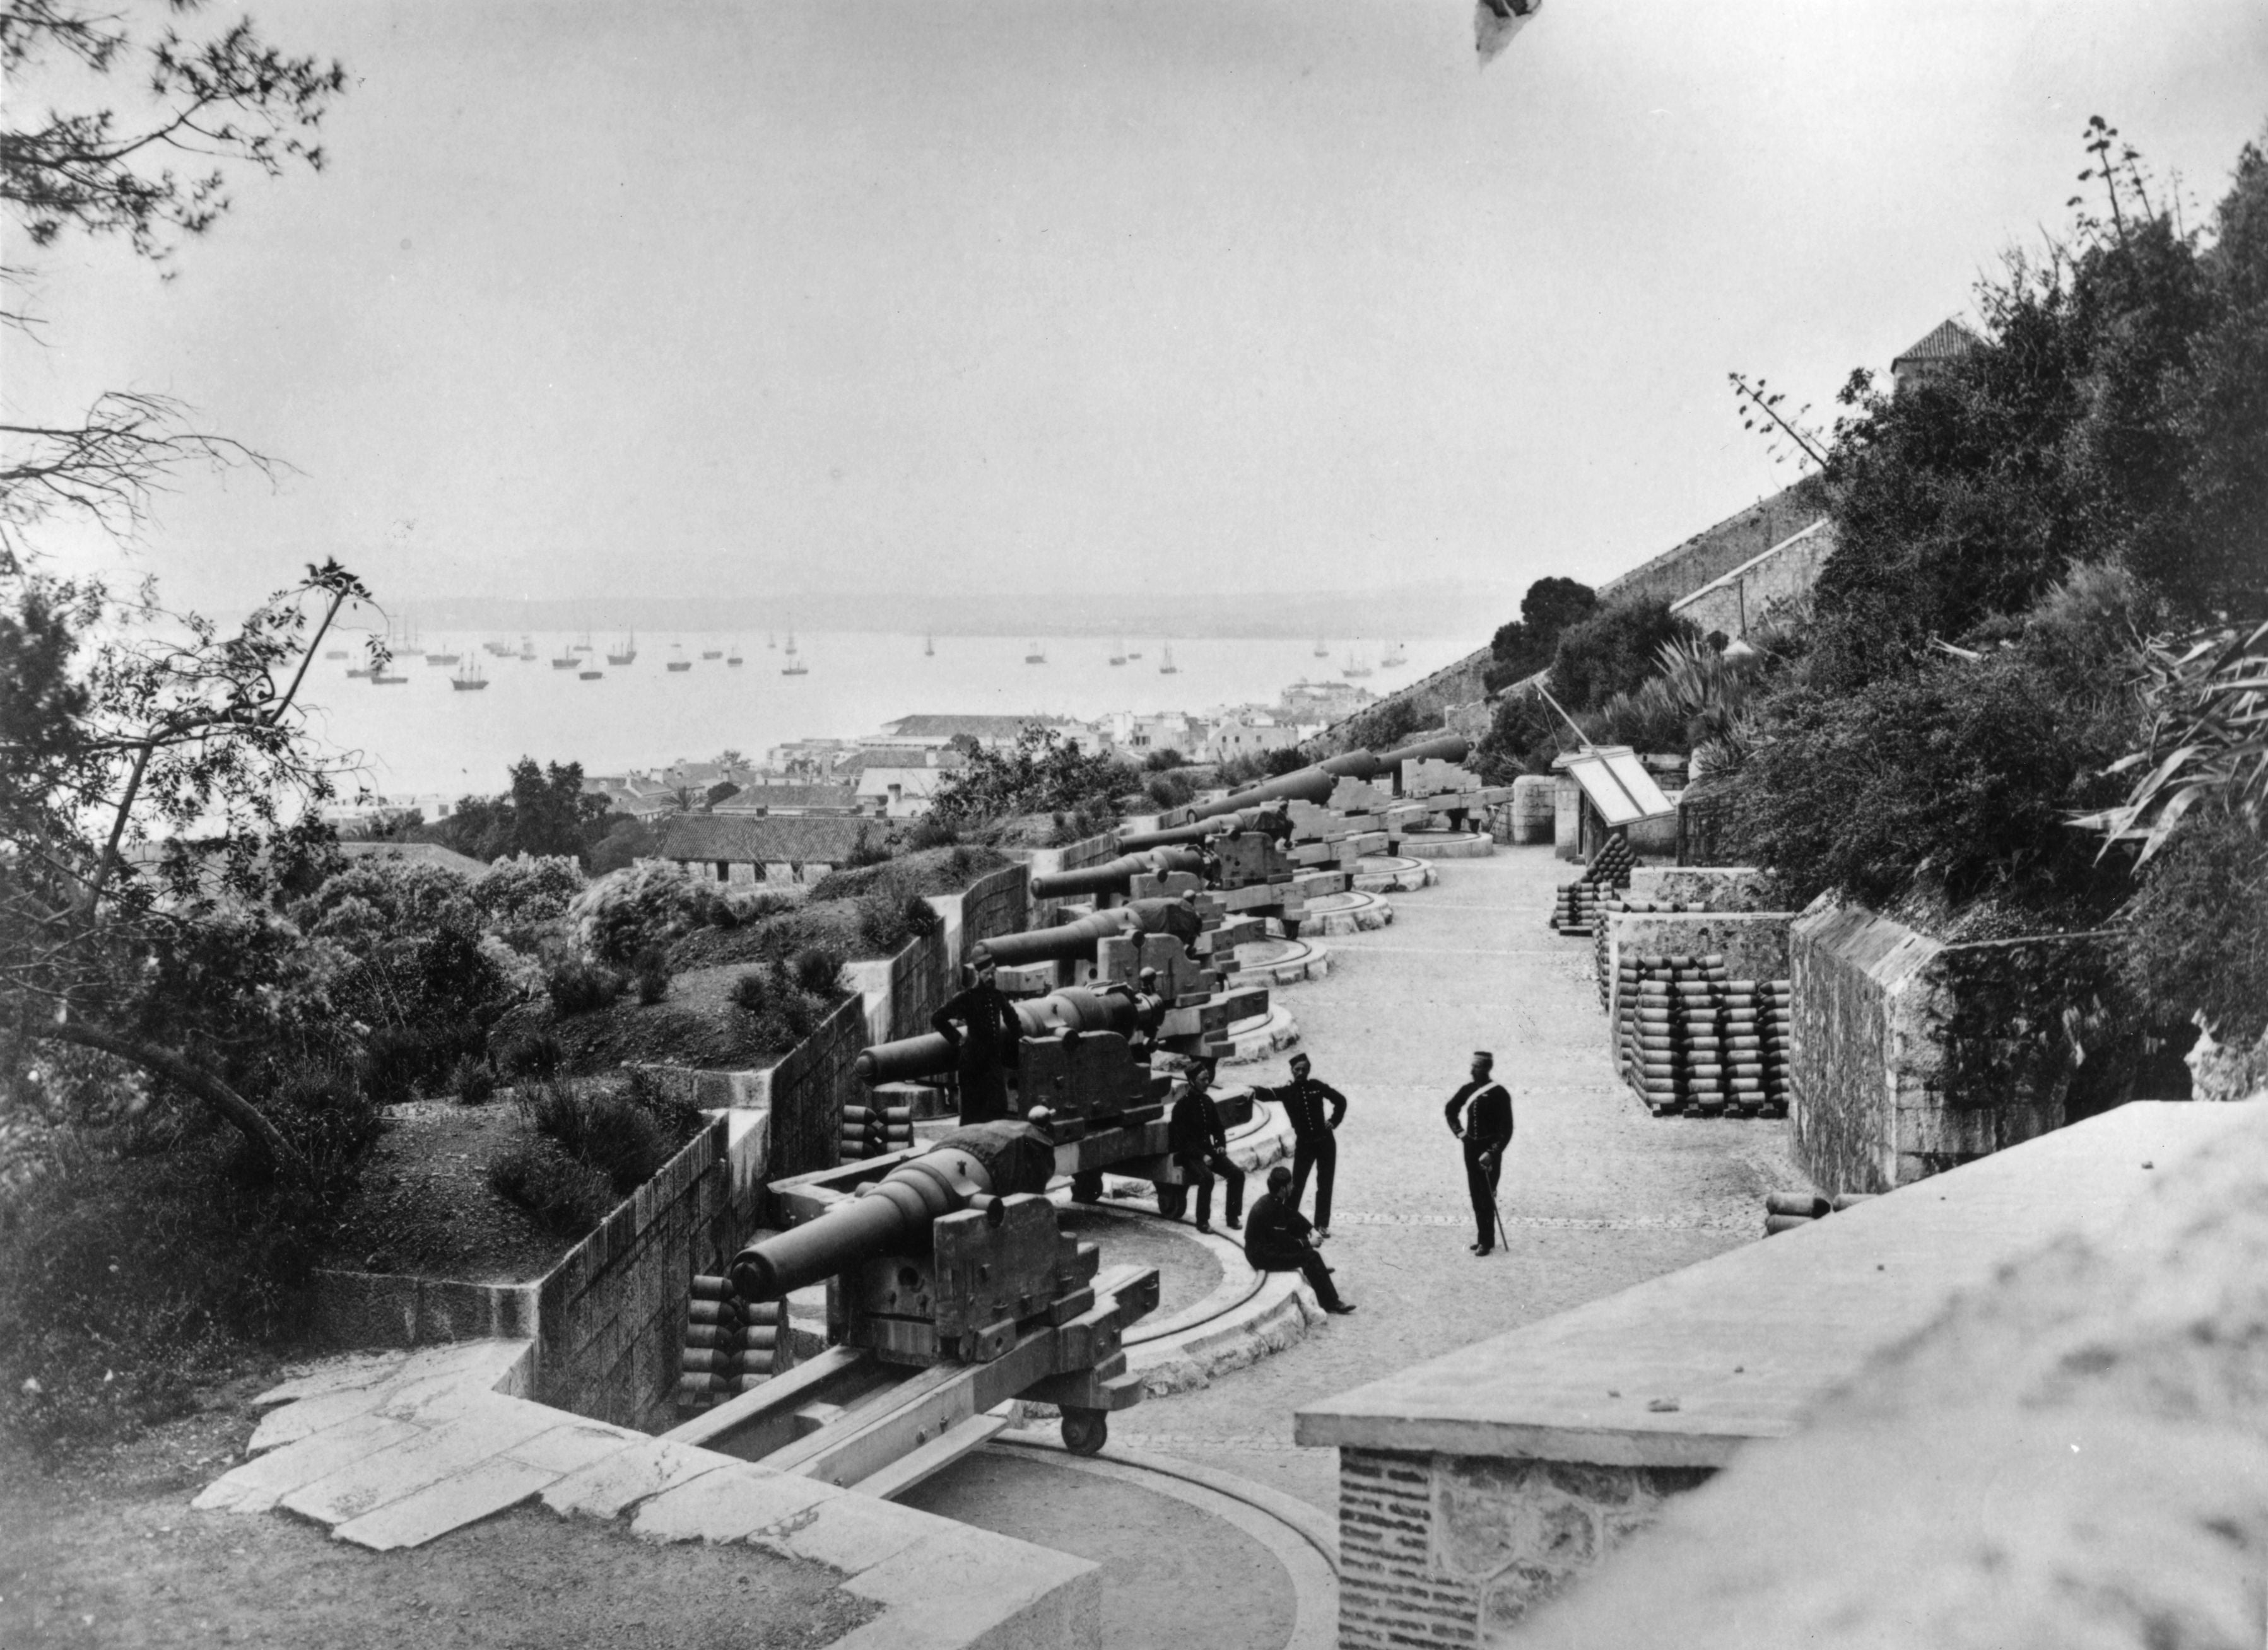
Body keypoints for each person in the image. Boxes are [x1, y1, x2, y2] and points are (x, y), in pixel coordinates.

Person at [1244, 1165, 1354, 1314]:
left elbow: (1292, 1215)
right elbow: (1285, 1243)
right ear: (1283, 1189)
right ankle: (1331, 1303)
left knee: (1298, 1231)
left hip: (1264, 1248)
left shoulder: (1272, 1200)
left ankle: (1317, 1272)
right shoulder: (1272, 1209)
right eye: (1290, 1184)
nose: (1293, 1187)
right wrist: (1310, 1242)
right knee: (1311, 1257)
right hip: (1261, 1257)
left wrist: (1311, 1229)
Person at [1260, 1053, 1348, 1237]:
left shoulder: (1316, 1086)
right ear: (1292, 1071)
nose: (1301, 1073)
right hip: (1305, 1145)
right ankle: (1290, 1225)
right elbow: (1267, 1094)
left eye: (1304, 1069)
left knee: (1325, 1184)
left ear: (1309, 1070)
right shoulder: (1287, 1091)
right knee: (1296, 1185)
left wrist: (1334, 1121)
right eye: (1297, 1069)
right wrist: (1250, 1090)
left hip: (1326, 1143)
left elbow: (1341, 1101)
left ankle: (1322, 1224)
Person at [931, 955, 1023, 1125]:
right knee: (973, 1112)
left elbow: (1011, 1017)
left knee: (998, 1107)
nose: (991, 978)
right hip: (973, 1062)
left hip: (993, 1060)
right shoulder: (967, 997)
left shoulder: (996, 995)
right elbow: (938, 1018)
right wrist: (958, 1039)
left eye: (993, 973)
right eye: (987, 974)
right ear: (978, 974)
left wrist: (1022, 1038)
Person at [1443, 1050, 1513, 1256]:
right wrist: (1461, 1133)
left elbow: (1507, 1129)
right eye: (1472, 1066)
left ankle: (1487, 1241)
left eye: (1476, 1066)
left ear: (1486, 1068)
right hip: (1471, 1148)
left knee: (1487, 1195)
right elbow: (1450, 1110)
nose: (1472, 1070)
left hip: (1489, 1150)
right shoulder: (1468, 1089)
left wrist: (1492, 1152)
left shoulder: (1500, 1093)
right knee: (1476, 1194)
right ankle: (1484, 1238)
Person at [1166, 1059, 1243, 1234]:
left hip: (1208, 1152)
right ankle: (1203, 1222)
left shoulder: (1207, 1101)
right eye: (1203, 1080)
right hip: (1189, 1155)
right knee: (1207, 1178)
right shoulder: (1181, 1107)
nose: (1207, 1083)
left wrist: (1220, 1145)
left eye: (1207, 1079)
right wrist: (1202, 1156)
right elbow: (1182, 1142)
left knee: (1237, 1175)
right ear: (1192, 1081)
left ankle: (1232, 1216)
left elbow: (1218, 1128)